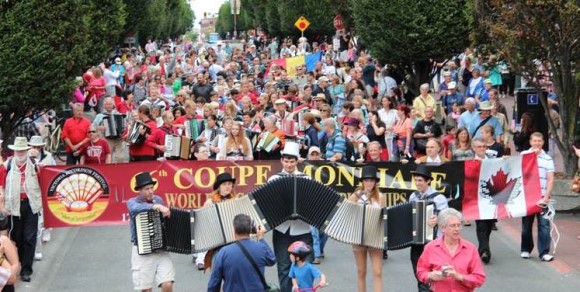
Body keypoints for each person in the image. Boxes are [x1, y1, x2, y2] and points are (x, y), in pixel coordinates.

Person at [268, 142, 313, 292]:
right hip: (282, 230)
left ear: (297, 161)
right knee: (283, 267)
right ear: (281, 161)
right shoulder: (274, 180)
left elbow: (313, 203)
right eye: (286, 161)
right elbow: (268, 204)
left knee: (305, 268)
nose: (288, 164)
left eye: (292, 161)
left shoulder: (306, 179)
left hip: (303, 229)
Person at [0, 137, 42, 282]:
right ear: (14, 151)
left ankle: (26, 270)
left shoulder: (36, 165)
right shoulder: (7, 165)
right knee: (17, 237)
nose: (20, 152)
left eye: (23, 149)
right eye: (18, 150)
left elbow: (44, 182)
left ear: (27, 149)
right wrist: (2, 205)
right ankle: (21, 263)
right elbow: (1, 186)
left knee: (29, 237)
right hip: (13, 206)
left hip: (31, 204)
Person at [416, 208, 486, 292]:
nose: (457, 229)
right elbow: (420, 272)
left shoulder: (471, 249)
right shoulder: (431, 247)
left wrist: (459, 276)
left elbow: (479, 278)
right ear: (443, 228)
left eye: (459, 225)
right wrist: (430, 275)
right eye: (453, 225)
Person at [127, 172, 174, 292]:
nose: (151, 191)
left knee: (168, 284)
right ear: (140, 191)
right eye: (147, 189)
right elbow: (135, 209)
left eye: (152, 188)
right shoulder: (132, 202)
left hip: (161, 249)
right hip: (142, 250)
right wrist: (156, 207)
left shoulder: (158, 199)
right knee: (146, 289)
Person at [207, 214, 276, 292]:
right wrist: (261, 239)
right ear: (250, 229)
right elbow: (272, 260)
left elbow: (214, 282)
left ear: (234, 230)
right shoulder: (261, 247)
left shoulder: (224, 252)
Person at [408, 164, 449, 292]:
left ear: (428, 181)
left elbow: (447, 219)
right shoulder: (413, 196)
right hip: (417, 242)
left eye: (420, 180)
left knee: (434, 275)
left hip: (434, 243)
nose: (417, 183)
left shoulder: (439, 198)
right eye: (416, 180)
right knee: (419, 273)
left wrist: (438, 220)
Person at [348, 166, 385, 292]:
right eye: (366, 180)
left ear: (375, 182)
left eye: (372, 180)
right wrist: (359, 193)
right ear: (362, 181)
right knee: (361, 271)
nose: (369, 183)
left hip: (374, 237)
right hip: (359, 236)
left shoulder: (380, 196)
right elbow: (346, 208)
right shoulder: (356, 195)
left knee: (377, 272)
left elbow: (383, 217)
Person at [520, 132, 555, 262]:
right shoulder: (523, 156)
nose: (537, 143)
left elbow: (551, 178)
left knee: (544, 225)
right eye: (534, 141)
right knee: (526, 225)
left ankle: (544, 252)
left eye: (539, 141)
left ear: (543, 142)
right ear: (530, 142)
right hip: (528, 197)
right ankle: (525, 249)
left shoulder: (548, 159)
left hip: (542, 197)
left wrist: (546, 197)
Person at [27, 136, 56, 259]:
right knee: (36, 220)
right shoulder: (26, 157)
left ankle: (47, 229)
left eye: (38, 147)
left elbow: (55, 170)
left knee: (46, 212)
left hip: (45, 188)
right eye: (33, 146)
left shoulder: (49, 156)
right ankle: (36, 250)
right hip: (32, 190)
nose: (36, 149)